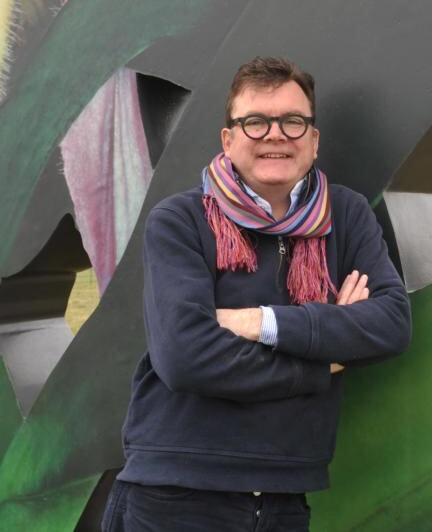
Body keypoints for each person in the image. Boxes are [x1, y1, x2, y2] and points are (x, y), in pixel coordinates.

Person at [101, 56, 412, 532]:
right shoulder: (181, 220)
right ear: (228, 139)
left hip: (285, 497)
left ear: (313, 138)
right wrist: (324, 358)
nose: (275, 135)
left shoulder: (344, 216)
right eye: (255, 122)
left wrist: (262, 322)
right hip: (176, 492)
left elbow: (390, 324)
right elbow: (186, 357)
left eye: (292, 121)